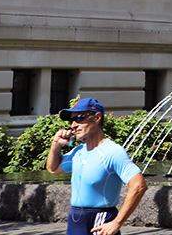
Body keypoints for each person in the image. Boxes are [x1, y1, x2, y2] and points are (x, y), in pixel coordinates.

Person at [46, 98, 146, 235]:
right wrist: (56, 144)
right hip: (75, 218)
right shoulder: (78, 151)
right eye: (71, 121)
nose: (73, 125)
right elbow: (53, 169)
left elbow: (139, 186)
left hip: (100, 219)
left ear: (96, 118)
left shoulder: (113, 152)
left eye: (79, 118)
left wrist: (117, 222)